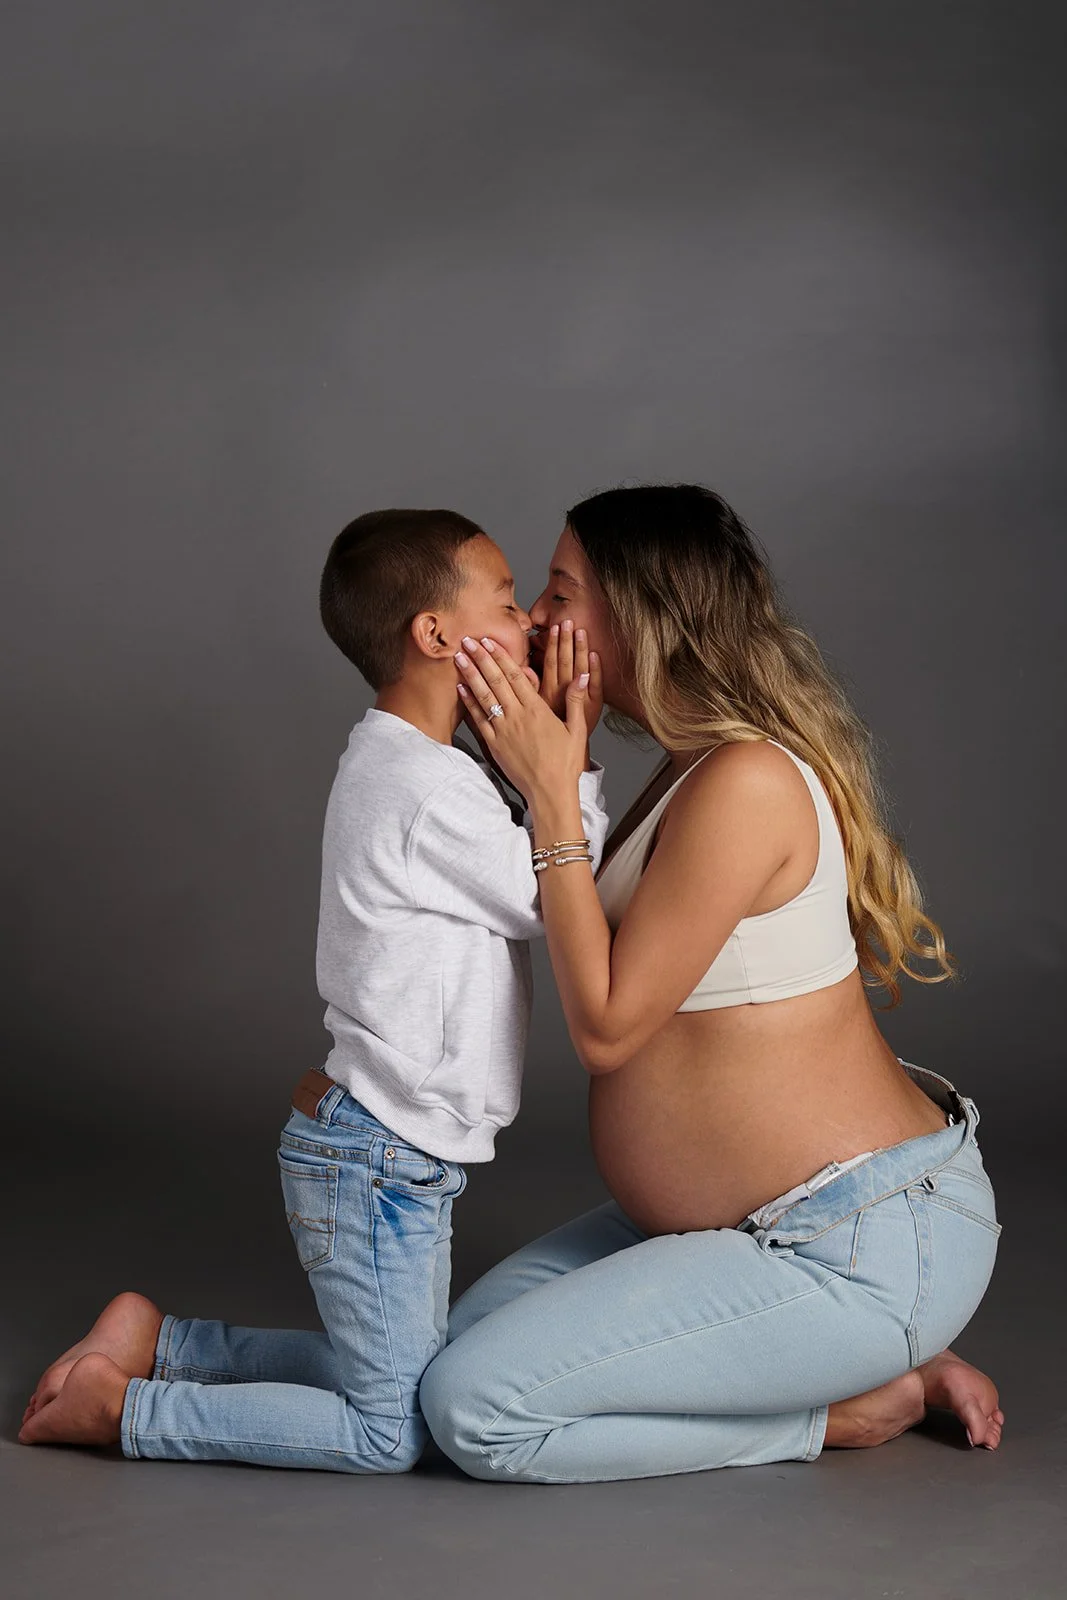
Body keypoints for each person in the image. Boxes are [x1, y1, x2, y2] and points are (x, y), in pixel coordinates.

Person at [421, 483, 1003, 1484]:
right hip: (731, 1232)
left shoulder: (746, 782)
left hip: (848, 1245)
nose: (539, 619)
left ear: (637, 614)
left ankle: (845, 1405)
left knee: (472, 1409)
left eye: (559, 591)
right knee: (434, 1361)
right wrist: (547, 771)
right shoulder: (686, 770)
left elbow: (606, 1028)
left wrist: (550, 794)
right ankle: (853, 1354)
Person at [19, 508, 609, 1470]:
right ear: (435, 635)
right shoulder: (423, 787)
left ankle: (162, 1345)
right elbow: (554, 891)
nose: (530, 623)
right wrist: (570, 758)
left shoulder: (421, 768)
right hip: (376, 1156)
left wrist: (536, 765)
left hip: (380, 1149)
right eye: (507, 604)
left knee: (404, 1382)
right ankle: (124, 1413)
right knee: (391, 1433)